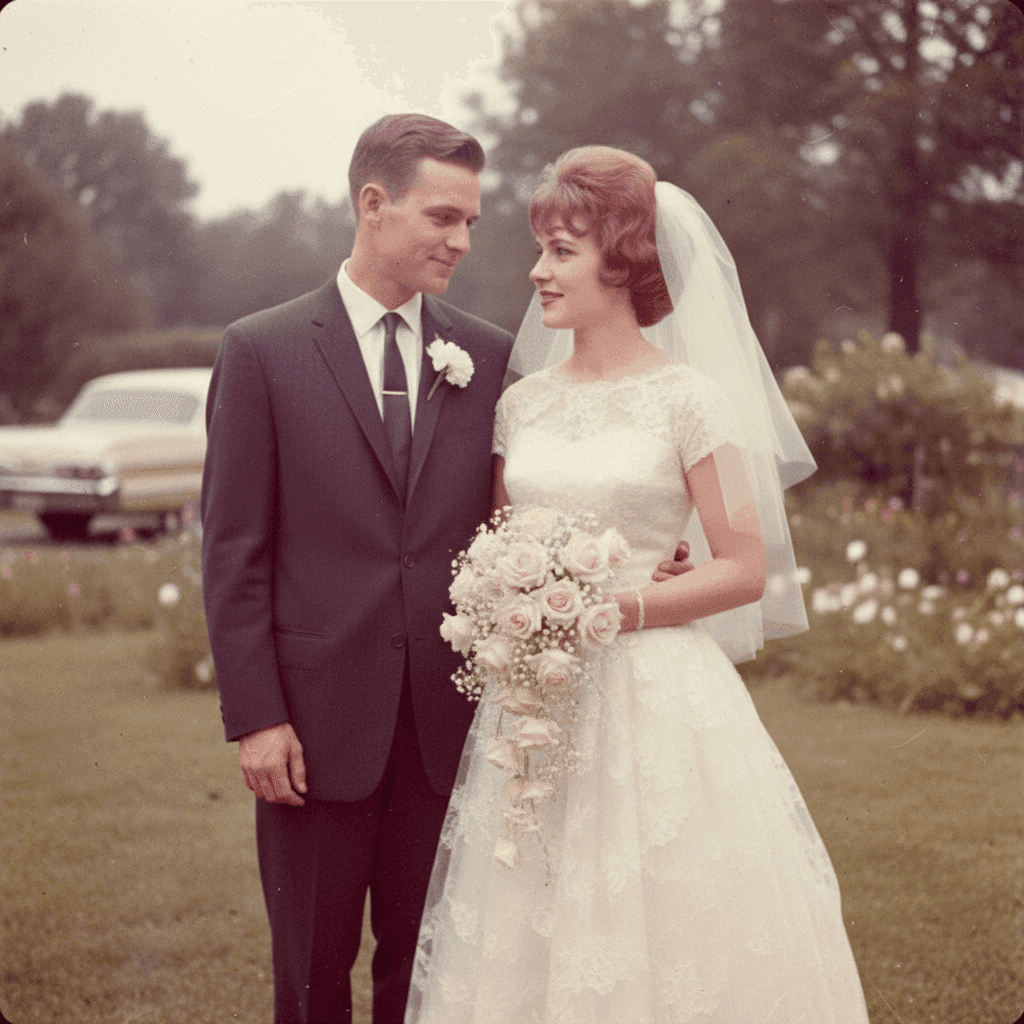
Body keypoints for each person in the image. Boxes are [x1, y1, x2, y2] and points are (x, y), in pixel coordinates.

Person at [202, 117, 689, 1024]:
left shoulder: (493, 355)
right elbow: (233, 552)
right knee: (309, 977)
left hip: (453, 729)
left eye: (470, 221)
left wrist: (634, 555)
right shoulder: (261, 350)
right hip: (311, 727)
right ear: (373, 205)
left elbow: (526, 517)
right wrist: (257, 717)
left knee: (433, 976)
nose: (463, 242)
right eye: (443, 217)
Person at [404, 146, 871, 1023]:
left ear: (621, 260)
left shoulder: (689, 400)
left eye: (562, 250)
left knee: (663, 918)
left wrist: (620, 605)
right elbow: (502, 543)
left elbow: (743, 566)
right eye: (540, 248)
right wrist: (510, 603)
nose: (538, 271)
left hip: (654, 692)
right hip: (535, 703)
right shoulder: (523, 404)